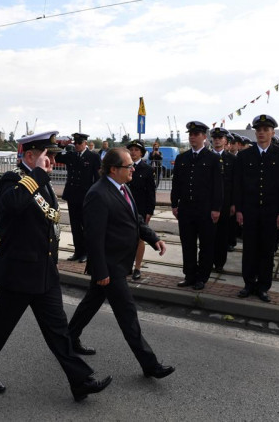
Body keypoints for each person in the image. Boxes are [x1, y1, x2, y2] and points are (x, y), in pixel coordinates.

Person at [0, 131, 112, 402]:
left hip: (45, 271)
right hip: (19, 273)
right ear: (29, 156)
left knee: (58, 331)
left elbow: (49, 220)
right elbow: (13, 205)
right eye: (46, 155)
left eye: (52, 155)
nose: (51, 160)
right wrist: (37, 175)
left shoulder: (42, 181)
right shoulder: (13, 179)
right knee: (1, 326)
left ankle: (80, 381)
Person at [67, 147, 174, 379]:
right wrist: (101, 270)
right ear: (113, 169)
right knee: (128, 314)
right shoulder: (98, 193)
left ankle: (67, 340)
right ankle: (150, 364)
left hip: (117, 263)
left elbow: (133, 219)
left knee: (90, 304)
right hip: (110, 266)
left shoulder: (123, 187)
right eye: (128, 166)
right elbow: (93, 237)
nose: (133, 168)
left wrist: (153, 238)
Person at [234, 115, 279, 302]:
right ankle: (249, 284)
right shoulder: (244, 156)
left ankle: (263, 287)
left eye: (266, 130)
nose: (261, 133)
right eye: (258, 130)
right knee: (249, 249)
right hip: (250, 211)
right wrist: (240, 210)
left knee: (267, 251)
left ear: (272, 133)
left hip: (271, 212)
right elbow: (238, 185)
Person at [171, 122, 223, 290]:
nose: (192, 136)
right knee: (188, 243)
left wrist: (216, 208)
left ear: (203, 137)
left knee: (206, 244)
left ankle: (202, 277)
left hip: (205, 209)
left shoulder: (213, 158)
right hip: (186, 208)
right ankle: (189, 275)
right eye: (191, 134)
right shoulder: (182, 158)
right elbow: (176, 183)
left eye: (196, 133)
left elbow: (218, 186)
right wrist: (174, 203)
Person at [55, 132, 100, 262]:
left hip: (86, 195)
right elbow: (57, 158)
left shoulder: (93, 156)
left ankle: (86, 252)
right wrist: (61, 145)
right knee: (75, 225)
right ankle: (78, 251)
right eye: (75, 143)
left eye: (79, 143)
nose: (77, 146)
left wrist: (96, 195)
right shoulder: (71, 155)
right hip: (72, 194)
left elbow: (97, 178)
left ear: (85, 143)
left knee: (85, 225)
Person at [126, 140, 156, 280]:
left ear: (142, 153)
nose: (133, 152)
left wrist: (150, 211)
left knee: (140, 238)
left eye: (136, 150)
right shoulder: (123, 166)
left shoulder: (148, 169)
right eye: (131, 150)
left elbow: (151, 192)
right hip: (124, 208)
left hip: (140, 209)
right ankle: (126, 265)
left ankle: (137, 268)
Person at [210, 128, 236, 272]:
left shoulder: (232, 159)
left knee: (222, 235)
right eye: (215, 137)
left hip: (226, 203)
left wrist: (234, 203)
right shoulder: (206, 156)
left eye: (220, 138)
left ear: (226, 141)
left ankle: (219, 264)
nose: (217, 140)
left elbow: (235, 183)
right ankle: (207, 261)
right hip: (209, 202)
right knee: (208, 235)